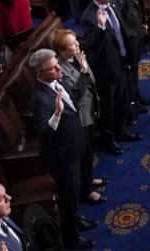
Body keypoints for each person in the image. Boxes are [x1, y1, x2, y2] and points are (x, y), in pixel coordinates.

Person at [27, 49, 97, 249]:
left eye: (57, 64)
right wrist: (56, 114)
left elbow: (74, 95)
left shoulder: (58, 82)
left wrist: (83, 73)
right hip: (63, 157)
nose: (59, 69)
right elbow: (42, 131)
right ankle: (72, 237)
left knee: (75, 194)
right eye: (53, 67)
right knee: (69, 198)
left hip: (76, 145)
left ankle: (78, 221)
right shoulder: (39, 98)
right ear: (40, 73)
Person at [77, 0, 139, 154]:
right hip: (105, 69)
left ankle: (122, 130)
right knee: (108, 107)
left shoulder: (112, 4)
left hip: (120, 61)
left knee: (121, 100)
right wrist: (101, 27)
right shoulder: (89, 17)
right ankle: (108, 139)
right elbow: (92, 46)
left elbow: (122, 29)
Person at [102, 0, 150, 110]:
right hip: (127, 33)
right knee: (129, 67)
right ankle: (132, 101)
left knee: (135, 65)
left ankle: (136, 94)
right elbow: (124, 11)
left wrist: (143, 21)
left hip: (136, 28)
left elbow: (140, 1)